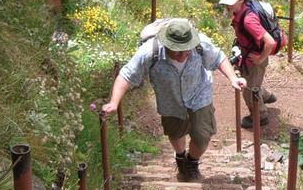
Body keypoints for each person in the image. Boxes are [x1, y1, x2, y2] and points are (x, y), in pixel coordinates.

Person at [102, 17, 245, 180]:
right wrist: (114, 102)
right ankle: (180, 157)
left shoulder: (200, 44)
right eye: (177, 51)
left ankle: (192, 163)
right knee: (175, 131)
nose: (183, 55)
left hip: (199, 93)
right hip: (169, 99)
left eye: (186, 50)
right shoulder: (149, 52)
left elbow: (219, 58)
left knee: (202, 134)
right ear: (167, 44)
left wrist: (233, 78)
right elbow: (126, 75)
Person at [218, 0, 278, 129]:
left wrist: (260, 59)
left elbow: (270, 42)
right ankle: (265, 95)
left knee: (248, 90)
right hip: (248, 55)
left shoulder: (248, 20)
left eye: (230, 3)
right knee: (252, 83)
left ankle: (260, 116)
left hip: (255, 59)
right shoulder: (244, 10)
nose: (227, 6)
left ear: (241, 0)